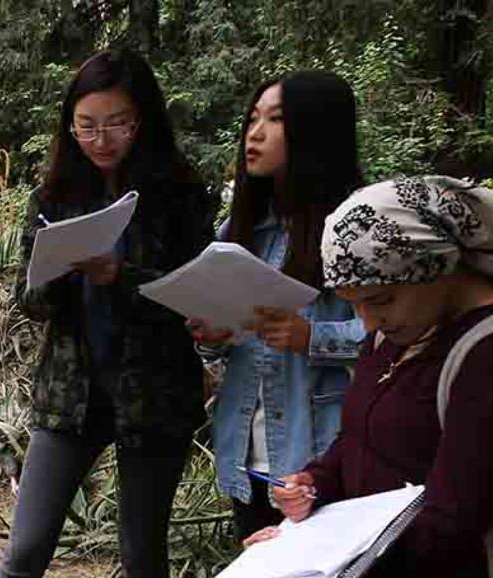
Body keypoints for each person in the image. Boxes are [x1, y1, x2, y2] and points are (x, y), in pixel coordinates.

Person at [253, 176, 493, 576]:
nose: (369, 322)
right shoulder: (405, 328)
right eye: (354, 305)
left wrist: (318, 564)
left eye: (380, 301)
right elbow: (360, 437)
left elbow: (453, 526)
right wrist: (316, 484)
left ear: (436, 268)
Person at [0, 48, 217, 578]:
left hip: (155, 394)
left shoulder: (181, 196)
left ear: (143, 120)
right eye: (85, 127)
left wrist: (119, 277)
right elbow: (28, 302)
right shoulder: (54, 195)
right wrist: (57, 272)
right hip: (71, 391)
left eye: (116, 124)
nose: (101, 140)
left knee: (142, 555)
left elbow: (198, 293)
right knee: (26, 549)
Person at [189, 70, 367, 543]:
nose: (255, 132)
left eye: (275, 120)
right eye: (251, 119)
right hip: (245, 454)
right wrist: (212, 336)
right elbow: (224, 344)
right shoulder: (240, 228)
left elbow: (394, 338)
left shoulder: (354, 232)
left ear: (316, 131)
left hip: (318, 456)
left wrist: (312, 337)